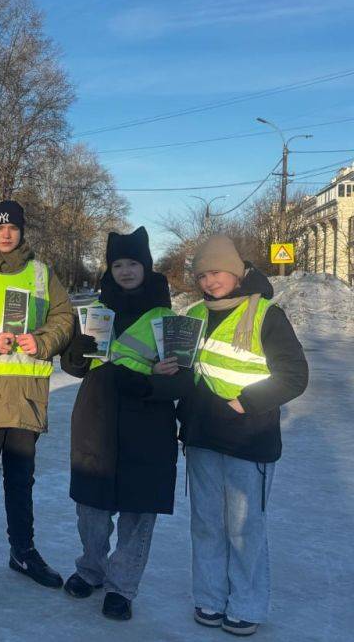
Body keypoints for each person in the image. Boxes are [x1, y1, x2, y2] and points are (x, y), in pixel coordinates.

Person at [178, 235, 307, 637]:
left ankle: (247, 605)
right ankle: (210, 599)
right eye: (202, 274)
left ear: (235, 272)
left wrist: (246, 402)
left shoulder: (267, 315)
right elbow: (188, 369)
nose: (209, 281)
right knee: (205, 525)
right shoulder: (194, 313)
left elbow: (294, 376)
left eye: (216, 272)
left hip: (247, 441)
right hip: (201, 438)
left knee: (243, 528)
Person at [60, 226, 191, 620]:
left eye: (133, 262)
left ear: (146, 266)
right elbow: (73, 366)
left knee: (138, 511)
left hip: (147, 425)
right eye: (118, 263)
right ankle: (91, 569)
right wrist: (77, 353)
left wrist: (149, 382)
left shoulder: (167, 318)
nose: (126, 270)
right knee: (92, 508)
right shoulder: (97, 313)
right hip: (96, 417)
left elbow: (184, 381)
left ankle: (122, 587)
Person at [0, 200, 74, 593]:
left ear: (21, 232)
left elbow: (64, 317)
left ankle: (23, 550)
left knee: (21, 480)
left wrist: (42, 341)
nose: (6, 233)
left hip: (26, 395)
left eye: (14, 227)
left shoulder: (41, 273)